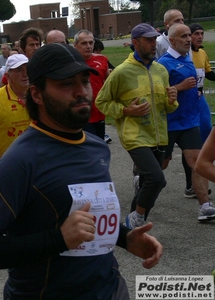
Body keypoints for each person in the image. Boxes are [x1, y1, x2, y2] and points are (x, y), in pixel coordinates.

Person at [0, 43, 163, 299]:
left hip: (109, 288)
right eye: (66, 84)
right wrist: (59, 239)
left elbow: (86, 216)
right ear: (37, 94)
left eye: (85, 81)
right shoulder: (20, 160)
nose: (81, 92)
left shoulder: (97, 148)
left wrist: (125, 238)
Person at [96, 23, 178, 229]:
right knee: (156, 179)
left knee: (146, 184)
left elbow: (169, 108)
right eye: (149, 40)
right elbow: (101, 102)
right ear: (135, 42)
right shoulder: (121, 72)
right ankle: (136, 219)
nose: (154, 44)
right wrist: (125, 111)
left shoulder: (160, 70)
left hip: (158, 136)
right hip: (135, 136)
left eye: (155, 40)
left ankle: (133, 226)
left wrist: (172, 100)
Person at [158, 23, 215, 222]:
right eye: (183, 36)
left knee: (197, 163)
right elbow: (159, 93)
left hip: (190, 122)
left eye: (189, 35)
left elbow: (194, 82)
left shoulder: (188, 58)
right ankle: (142, 175)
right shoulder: (163, 63)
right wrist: (181, 87)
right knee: (162, 165)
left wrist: (196, 91)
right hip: (169, 122)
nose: (188, 39)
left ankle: (205, 206)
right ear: (172, 40)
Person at [181, 23, 215, 198]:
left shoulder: (201, 53)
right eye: (196, 34)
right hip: (187, 99)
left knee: (206, 133)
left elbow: (208, 73)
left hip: (199, 99)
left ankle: (201, 176)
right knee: (191, 143)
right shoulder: (184, 55)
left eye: (202, 33)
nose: (200, 37)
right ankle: (190, 184)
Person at [74, 30, 111, 140]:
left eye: (91, 43)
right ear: (76, 45)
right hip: (81, 113)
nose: (88, 46)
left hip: (99, 111)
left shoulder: (102, 59)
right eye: (84, 43)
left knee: (100, 143)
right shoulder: (72, 62)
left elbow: (109, 82)